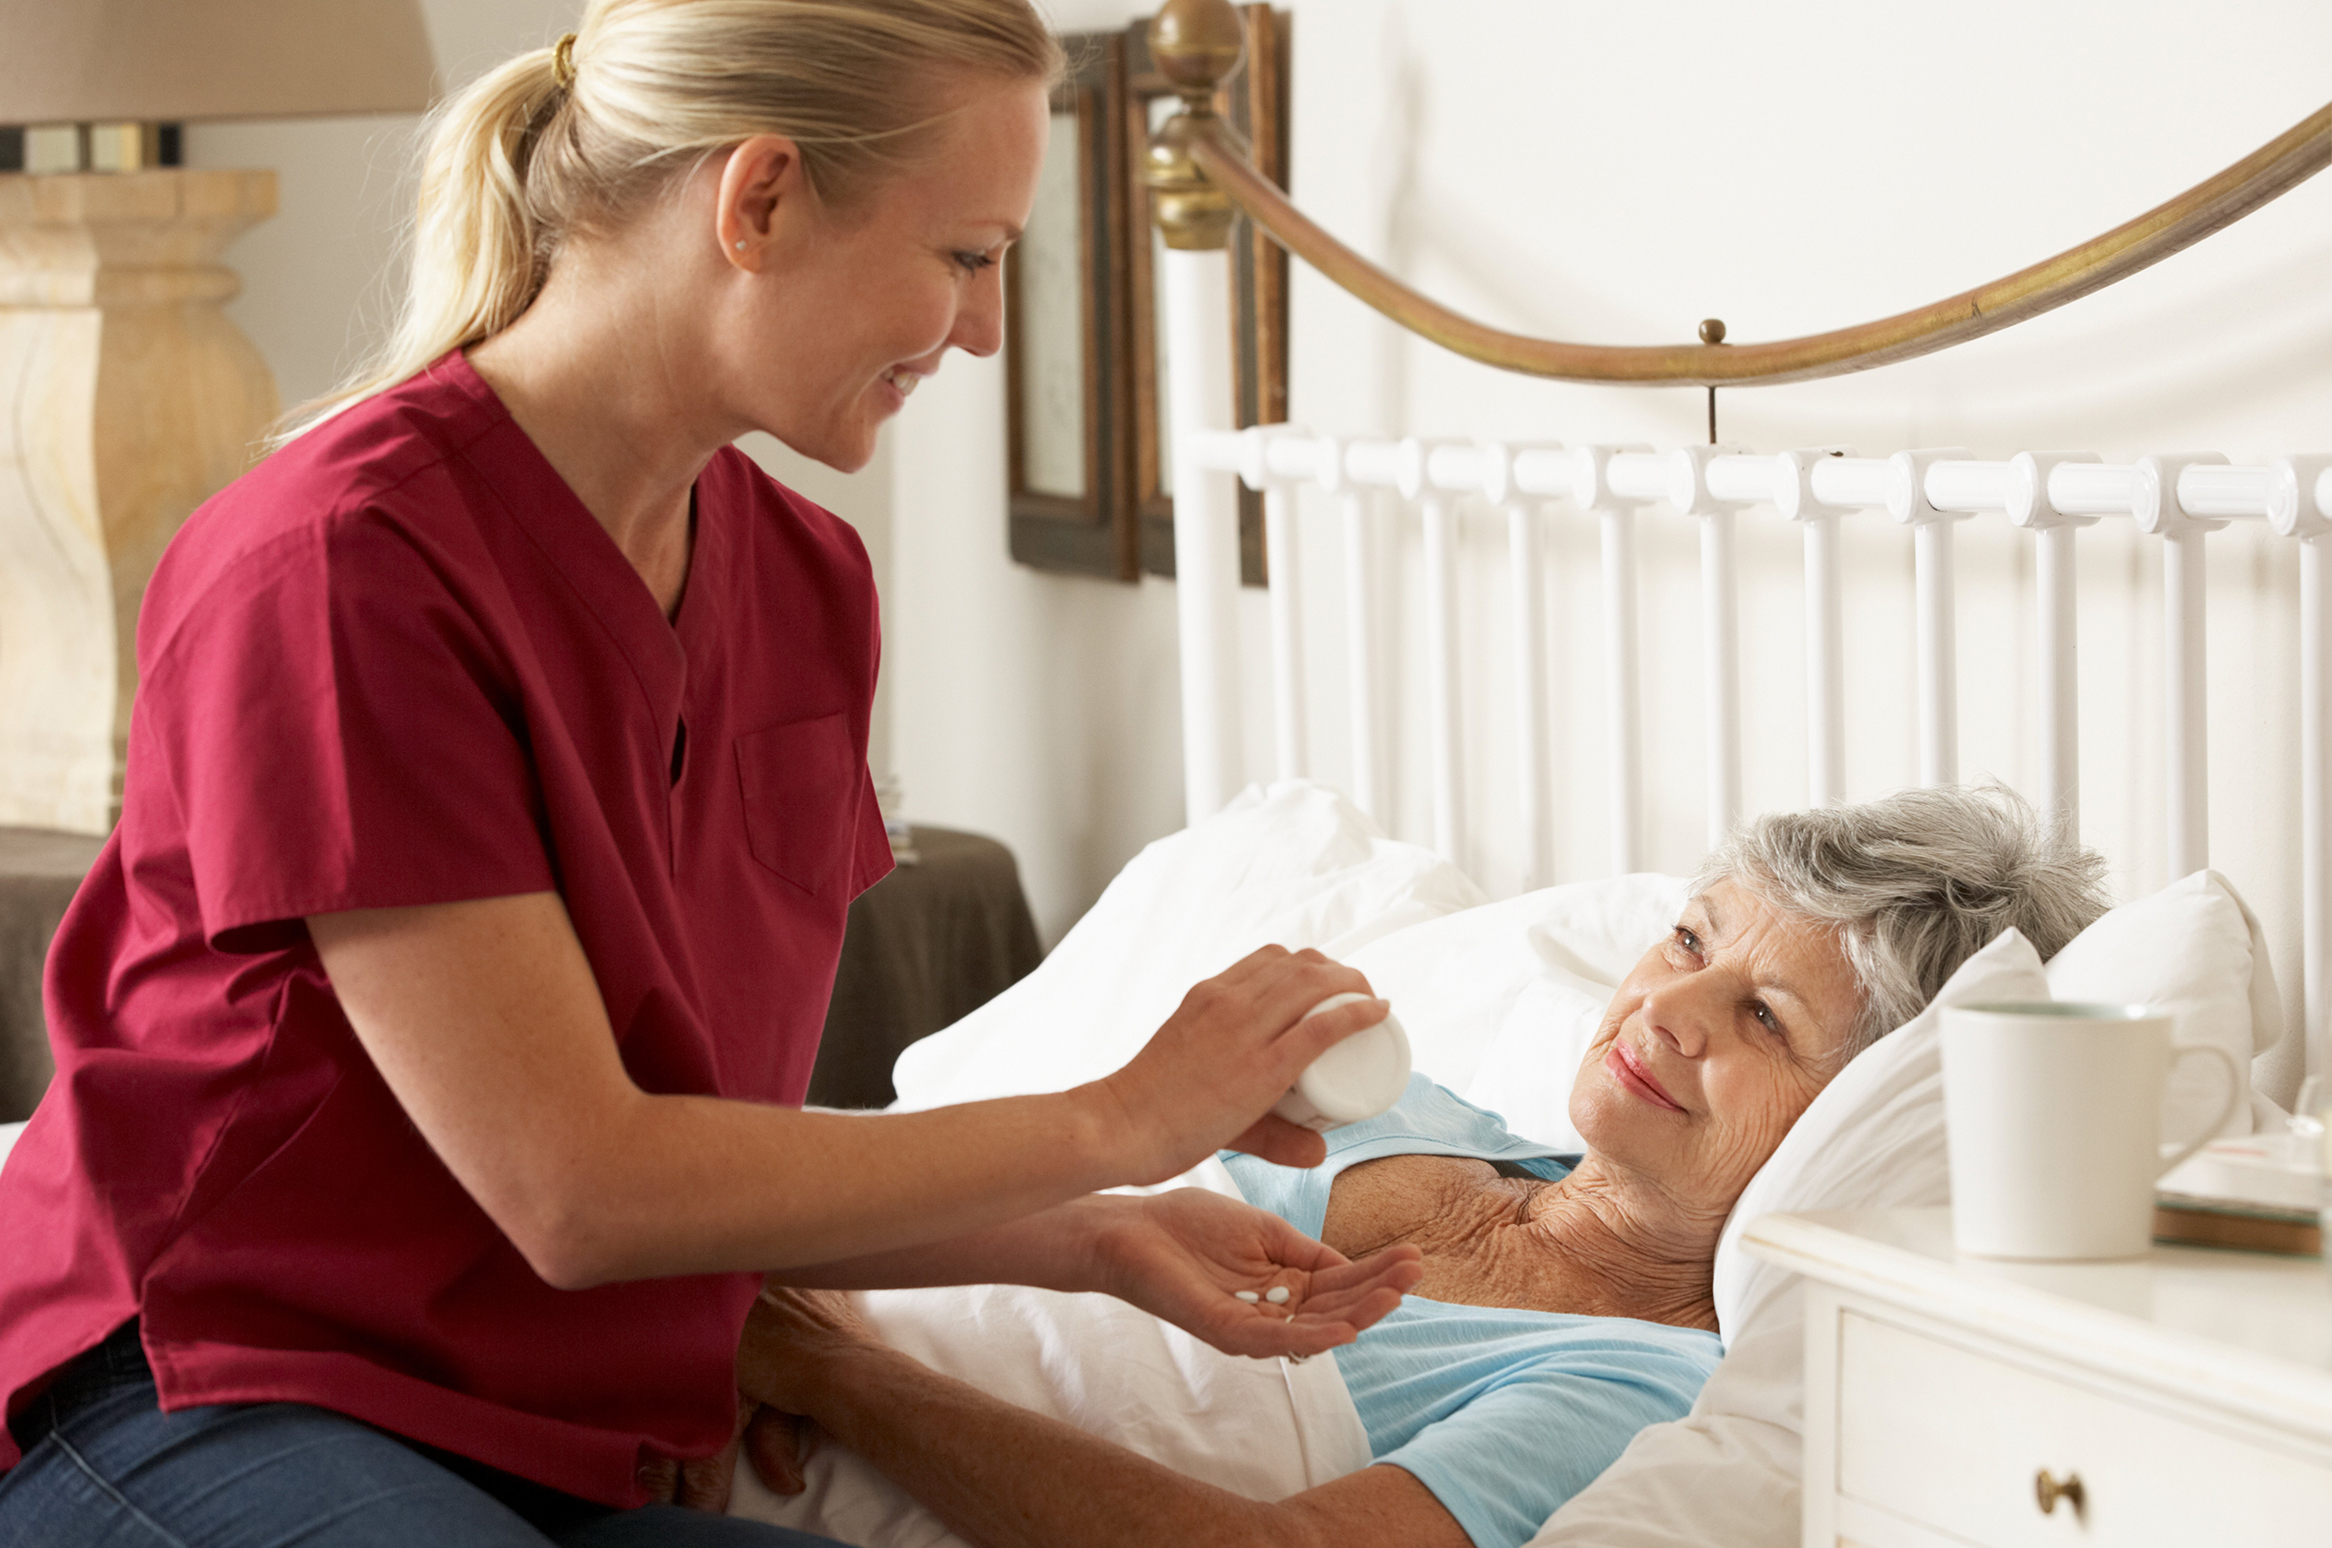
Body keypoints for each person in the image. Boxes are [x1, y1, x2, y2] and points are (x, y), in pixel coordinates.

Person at [0, 5, 1421, 1545]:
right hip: (213, 1391)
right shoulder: (345, 567)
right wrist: (1117, 1117)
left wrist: (1089, 1237)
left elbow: (709, 1140)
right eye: (966, 255)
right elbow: (579, 1185)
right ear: (756, 200)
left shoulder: (807, 586)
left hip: (555, 1432)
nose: (987, 331)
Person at [716, 786, 2114, 1548]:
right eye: (1690, 942)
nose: (1669, 1012)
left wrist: (826, 1372)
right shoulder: (1384, 1109)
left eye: (1766, 1019)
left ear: (1855, 1119)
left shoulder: (1649, 1386)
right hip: (700, 1326)